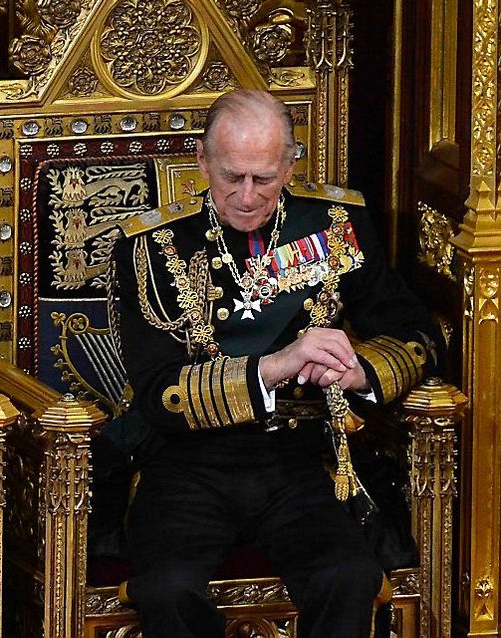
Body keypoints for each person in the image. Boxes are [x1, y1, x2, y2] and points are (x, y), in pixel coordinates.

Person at [112, 89, 441, 638]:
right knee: (167, 588)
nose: (245, 196)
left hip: (300, 462)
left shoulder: (335, 226)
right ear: (201, 160)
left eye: (263, 179)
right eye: (230, 176)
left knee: (349, 574)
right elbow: (158, 393)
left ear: (290, 164)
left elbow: (420, 336)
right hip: (187, 466)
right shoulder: (150, 247)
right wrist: (278, 364)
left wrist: (360, 371)